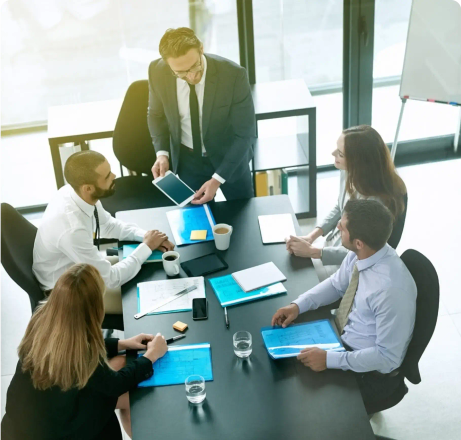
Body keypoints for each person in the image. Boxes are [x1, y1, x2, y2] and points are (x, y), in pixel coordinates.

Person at [1, 264, 167, 440]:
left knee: (122, 363)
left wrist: (123, 343)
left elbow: (81, 351)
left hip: (28, 419)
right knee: (132, 395)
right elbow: (116, 385)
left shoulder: (44, 317)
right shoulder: (79, 350)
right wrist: (152, 355)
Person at [272, 199, 417, 413]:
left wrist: (329, 359)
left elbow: (387, 358)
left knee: (295, 400)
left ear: (359, 242)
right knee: (279, 365)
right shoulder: (363, 253)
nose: (338, 226)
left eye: (343, 225)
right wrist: (298, 305)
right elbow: (337, 285)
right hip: (343, 340)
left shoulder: (390, 290)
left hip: (370, 374)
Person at [33, 150, 174, 314]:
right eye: (107, 176)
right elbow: (112, 279)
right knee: (152, 302)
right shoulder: (72, 229)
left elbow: (108, 225)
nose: (114, 176)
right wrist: (147, 246)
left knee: (145, 270)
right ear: (88, 188)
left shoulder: (76, 193)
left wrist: (148, 237)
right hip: (66, 292)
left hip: (79, 268)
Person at [148, 27, 256, 203]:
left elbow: (245, 133)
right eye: (181, 73)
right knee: (197, 222)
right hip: (188, 162)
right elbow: (155, 114)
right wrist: (162, 153)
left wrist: (217, 179)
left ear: (201, 49)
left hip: (230, 158)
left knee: (244, 216)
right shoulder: (157, 71)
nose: (191, 76)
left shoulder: (233, 75)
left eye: (194, 66)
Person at [286, 125, 407, 266]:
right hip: (334, 244)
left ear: (359, 162)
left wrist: (313, 252)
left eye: (340, 154)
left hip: (348, 263)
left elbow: (361, 251)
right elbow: (341, 207)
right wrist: (311, 236)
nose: (333, 153)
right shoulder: (349, 171)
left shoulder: (376, 203)